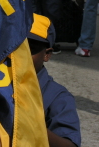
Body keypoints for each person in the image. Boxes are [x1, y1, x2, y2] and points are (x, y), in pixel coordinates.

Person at [27, 14, 81, 147]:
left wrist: (33, 127)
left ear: (47, 54)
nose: (21, 55)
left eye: (30, 49)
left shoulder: (57, 96)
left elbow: (70, 144)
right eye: (15, 47)